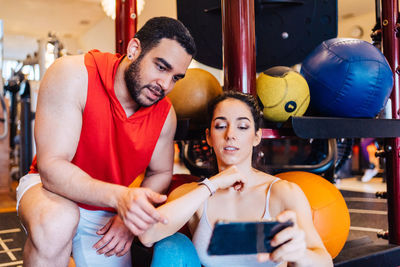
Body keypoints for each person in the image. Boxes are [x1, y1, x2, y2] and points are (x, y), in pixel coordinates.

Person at [16, 17, 196, 267]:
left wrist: (128, 220)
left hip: (107, 206)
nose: (165, 85)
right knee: (57, 223)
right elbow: (51, 167)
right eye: (161, 67)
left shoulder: (165, 115)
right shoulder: (72, 74)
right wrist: (120, 198)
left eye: (176, 77)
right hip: (51, 190)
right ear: (134, 49)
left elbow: (161, 171)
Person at [139, 91, 333, 267]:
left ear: (256, 137)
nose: (230, 134)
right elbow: (148, 235)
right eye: (220, 126)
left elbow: (324, 262)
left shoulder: (282, 193)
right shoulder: (195, 193)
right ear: (208, 137)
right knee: (172, 247)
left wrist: (300, 255)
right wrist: (212, 185)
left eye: (242, 126)